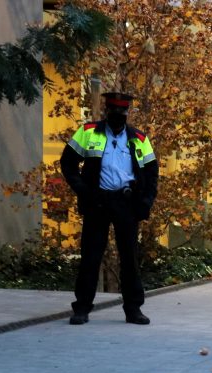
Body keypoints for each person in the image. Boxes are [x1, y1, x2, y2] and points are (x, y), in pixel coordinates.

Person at [59, 92, 159, 325]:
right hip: (97, 202)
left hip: (127, 203)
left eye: (122, 112)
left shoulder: (139, 139)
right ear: (107, 111)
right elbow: (68, 163)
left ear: (127, 113)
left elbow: (152, 173)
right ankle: (82, 308)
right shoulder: (88, 132)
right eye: (114, 111)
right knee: (90, 257)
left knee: (130, 258)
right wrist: (83, 191)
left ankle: (133, 309)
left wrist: (145, 202)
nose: (118, 116)